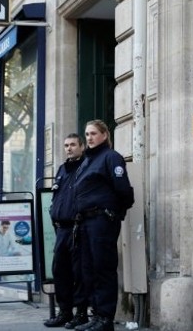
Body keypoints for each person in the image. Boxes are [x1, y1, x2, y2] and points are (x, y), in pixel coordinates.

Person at [72, 120, 134, 331]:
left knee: (103, 268)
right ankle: (96, 315)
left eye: (94, 133)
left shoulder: (111, 157)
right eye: (87, 134)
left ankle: (106, 319)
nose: (89, 137)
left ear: (105, 135)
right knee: (88, 270)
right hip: (85, 222)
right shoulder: (87, 161)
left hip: (102, 220)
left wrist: (115, 213)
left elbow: (124, 190)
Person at [44, 133, 89, 328]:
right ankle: (65, 312)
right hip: (61, 229)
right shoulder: (62, 169)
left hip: (78, 227)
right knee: (59, 270)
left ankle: (81, 313)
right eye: (66, 145)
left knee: (78, 272)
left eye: (72, 145)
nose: (69, 148)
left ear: (82, 146)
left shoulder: (86, 166)